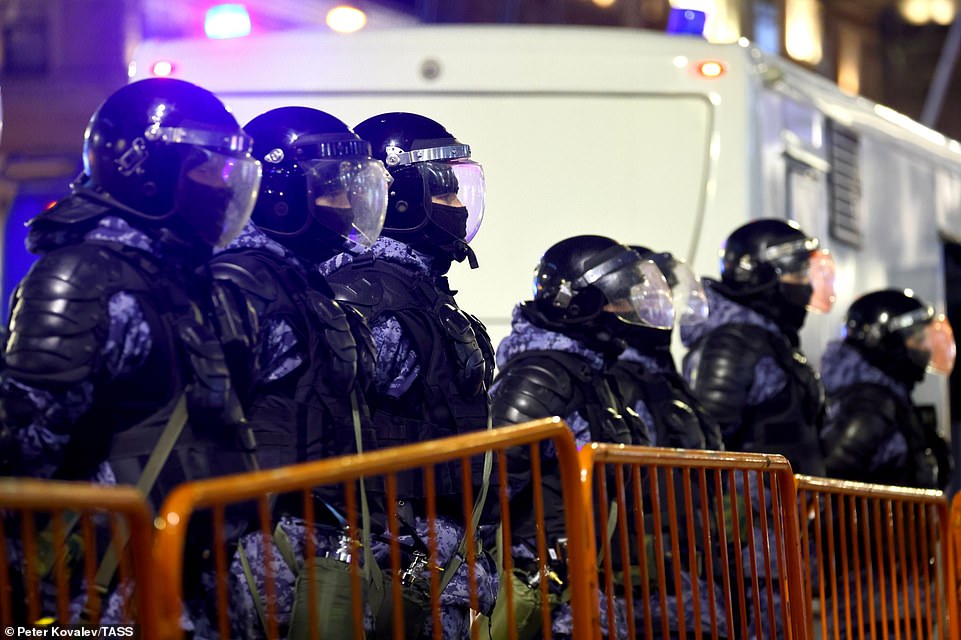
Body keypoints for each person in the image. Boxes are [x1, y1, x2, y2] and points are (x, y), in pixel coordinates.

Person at [0, 78, 263, 630]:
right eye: (203, 168)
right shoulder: (81, 278)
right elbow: (22, 453)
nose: (220, 185)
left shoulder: (185, 273)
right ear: (148, 170)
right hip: (103, 596)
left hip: (186, 579)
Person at [208, 106, 390, 638]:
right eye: (332, 190)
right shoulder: (238, 286)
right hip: (259, 545)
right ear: (279, 192)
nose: (348, 204)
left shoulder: (305, 283)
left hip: (321, 536)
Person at [322, 111, 497, 638]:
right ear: (397, 196)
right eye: (444, 195)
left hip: (439, 564)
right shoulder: (365, 295)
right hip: (393, 563)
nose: (461, 207)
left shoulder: (422, 291)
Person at [490, 234, 675, 639]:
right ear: (580, 305)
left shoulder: (593, 374)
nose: (628, 311)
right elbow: (490, 484)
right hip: (546, 591)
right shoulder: (539, 378)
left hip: (586, 587)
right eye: (618, 300)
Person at [680, 217, 835, 475]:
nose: (806, 285)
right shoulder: (730, 345)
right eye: (797, 273)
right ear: (758, 274)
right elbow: (708, 446)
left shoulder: (774, 343)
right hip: (748, 511)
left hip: (778, 509)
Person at [820, 288, 955, 489]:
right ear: (886, 342)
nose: (925, 348)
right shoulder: (869, 406)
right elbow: (829, 480)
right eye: (917, 339)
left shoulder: (892, 400)